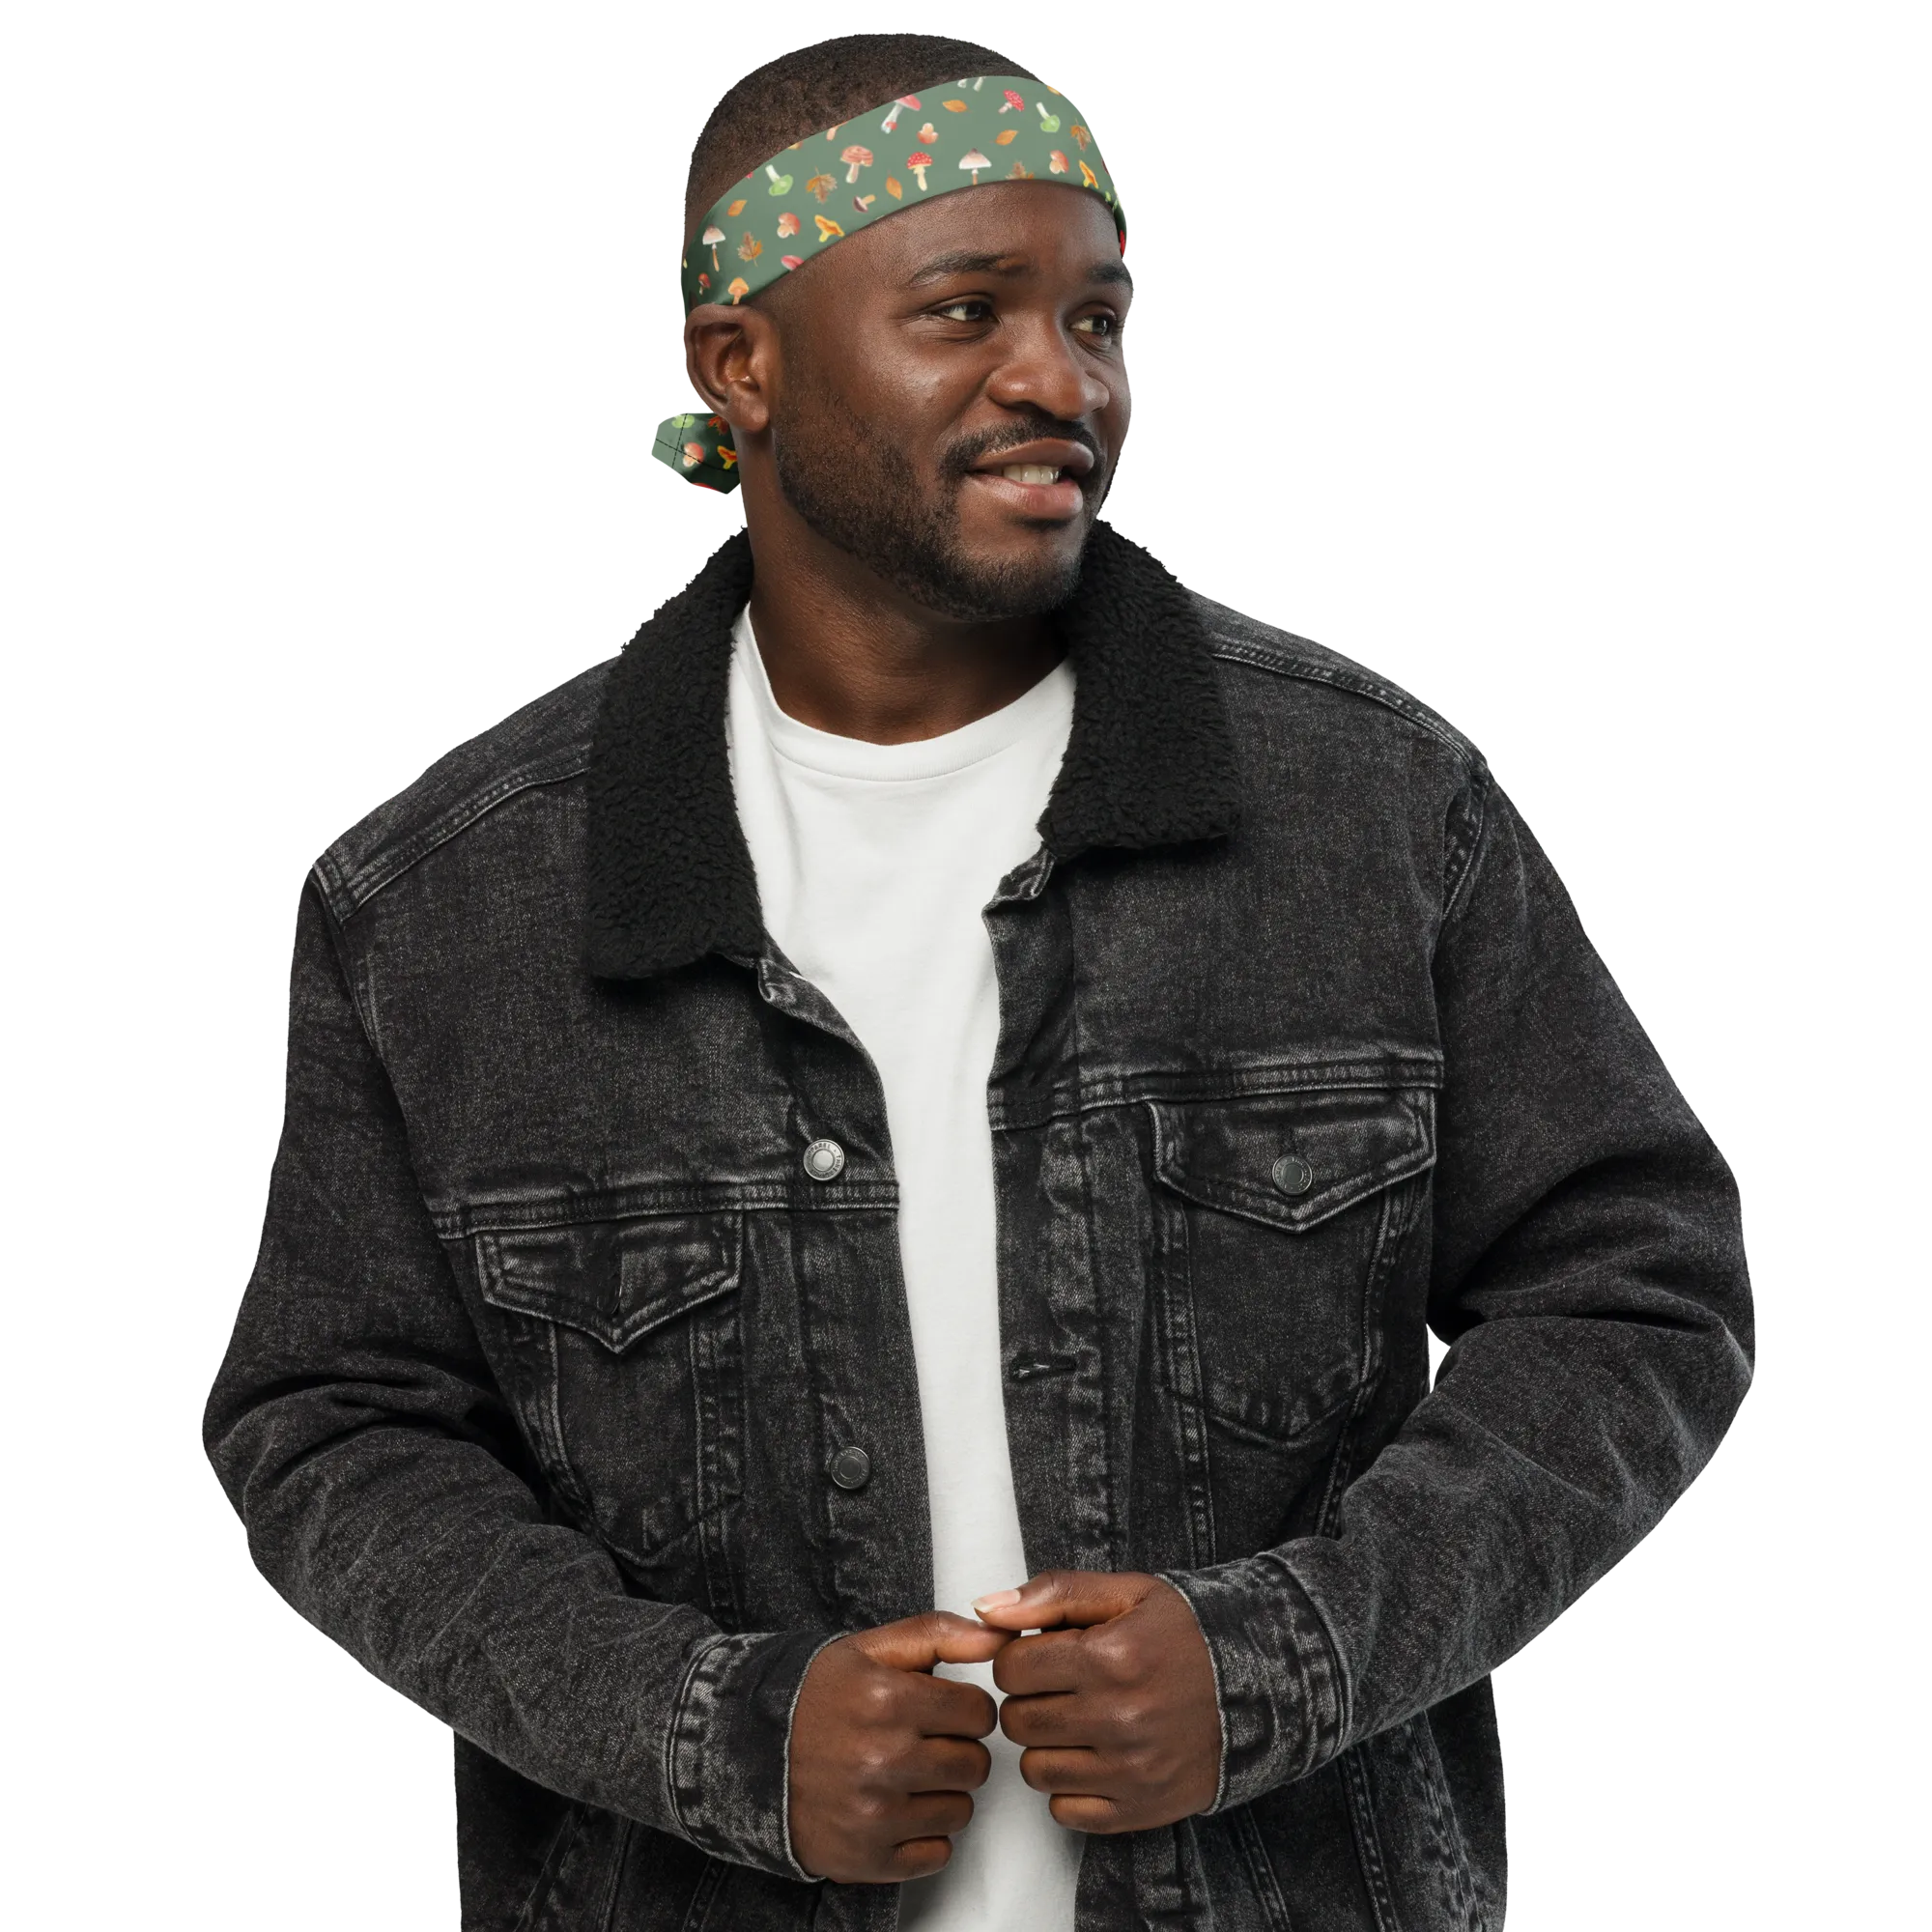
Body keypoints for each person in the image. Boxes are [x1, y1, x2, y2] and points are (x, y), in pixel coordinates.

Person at [201, 28, 1757, 1931]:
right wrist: (705, 1729)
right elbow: (333, 1429)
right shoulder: (445, 903)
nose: (1060, 380)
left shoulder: (1375, 805)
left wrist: (1292, 1653)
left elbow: (1639, 1290)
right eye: (966, 312)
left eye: (1100, 321)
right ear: (740, 367)